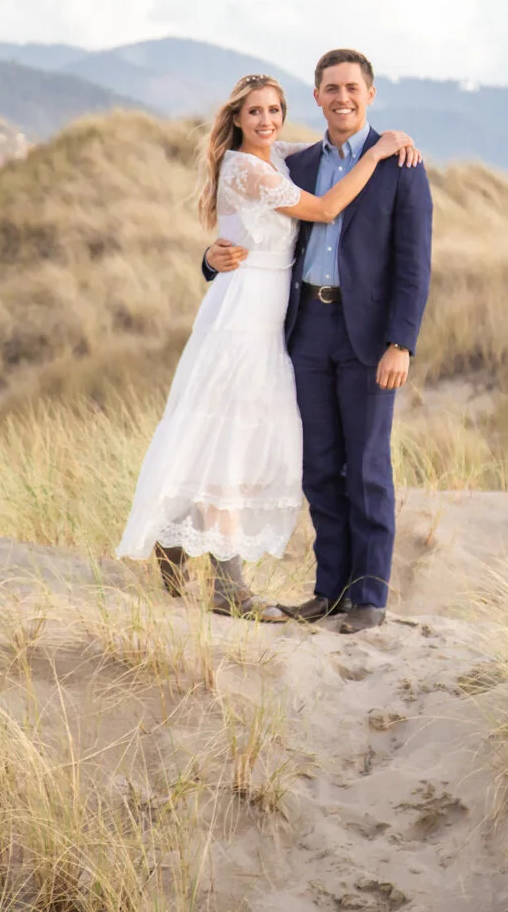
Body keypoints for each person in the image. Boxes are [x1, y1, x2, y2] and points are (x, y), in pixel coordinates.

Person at [115, 73, 418, 619]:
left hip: (275, 319)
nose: (266, 121)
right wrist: (376, 157)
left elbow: (332, 145)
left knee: (239, 436)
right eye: (254, 112)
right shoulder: (247, 167)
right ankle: (228, 583)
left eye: (274, 111)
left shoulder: (281, 156)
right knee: (230, 437)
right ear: (235, 118)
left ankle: (176, 541)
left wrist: (378, 141)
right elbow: (325, 210)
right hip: (244, 316)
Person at [204, 48, 432, 635]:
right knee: (320, 468)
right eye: (331, 89)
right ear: (318, 98)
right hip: (305, 331)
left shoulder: (400, 165)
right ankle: (329, 591)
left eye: (352, 88)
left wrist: (401, 343)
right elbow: (247, 222)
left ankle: (369, 597)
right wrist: (210, 261)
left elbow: (414, 265)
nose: (342, 98)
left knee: (367, 468)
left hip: (368, 338)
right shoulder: (296, 163)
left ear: (370, 94)